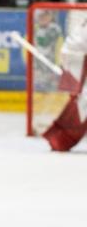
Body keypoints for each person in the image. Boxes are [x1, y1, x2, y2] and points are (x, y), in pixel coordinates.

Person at [43, 19, 87, 151]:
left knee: (81, 103)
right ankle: (59, 138)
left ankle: (60, 138)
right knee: (82, 104)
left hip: (77, 56)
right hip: (77, 58)